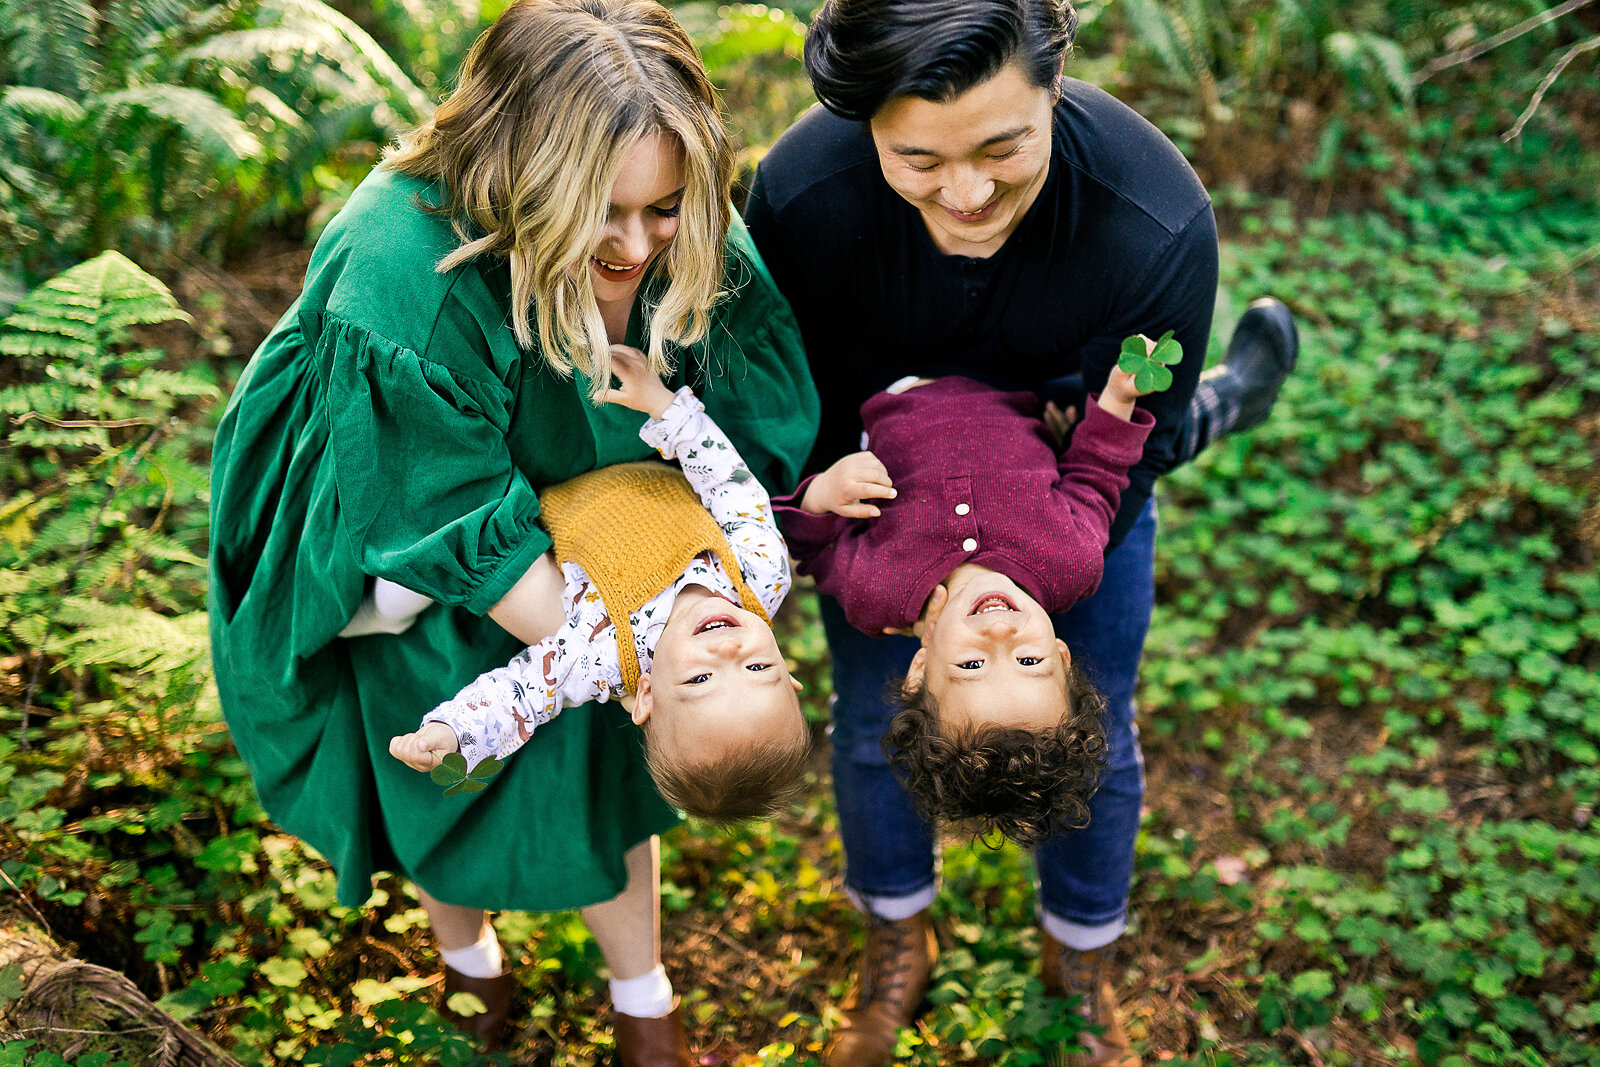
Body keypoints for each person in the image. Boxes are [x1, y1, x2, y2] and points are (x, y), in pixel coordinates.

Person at [207, 1, 818, 1061]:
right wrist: (606, 637)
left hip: (613, 510)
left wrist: (629, 644)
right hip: (414, 522)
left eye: (665, 208)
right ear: (514, 174)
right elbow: (431, 497)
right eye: (602, 217)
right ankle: (472, 963)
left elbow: (747, 401)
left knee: (605, 776)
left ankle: (643, 998)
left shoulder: (673, 217)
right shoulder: (404, 265)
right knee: (442, 753)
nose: (634, 247)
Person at [742, 1, 1298, 1065]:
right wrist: (825, 483)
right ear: (865, 127)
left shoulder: (1153, 217)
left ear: (1055, 85)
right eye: (919, 160)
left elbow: (1119, 449)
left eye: (1004, 148)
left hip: (1068, 456)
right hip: (887, 458)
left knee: (1099, 706)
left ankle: (1078, 953)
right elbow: (781, 396)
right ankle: (896, 931)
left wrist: (1051, 560)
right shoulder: (800, 199)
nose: (966, 194)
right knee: (873, 717)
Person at [388, 348, 810, 821]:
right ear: (788, 675)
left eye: (699, 679)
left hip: (547, 489)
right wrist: (669, 410)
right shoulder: (761, 577)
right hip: (639, 461)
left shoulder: (604, 654)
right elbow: (732, 489)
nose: (728, 653)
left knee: (427, 555)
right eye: (757, 668)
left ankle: (380, 603)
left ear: (647, 694)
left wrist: (456, 732)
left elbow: (524, 694)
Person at [773, 364, 1156, 846]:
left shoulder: (879, 592)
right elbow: (1098, 476)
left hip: (887, 367)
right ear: (1061, 656)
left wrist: (820, 495)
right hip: (1003, 364)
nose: (1000, 636)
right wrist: (1118, 402)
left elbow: (815, 549)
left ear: (920, 670)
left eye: (972, 664)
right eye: (1030, 661)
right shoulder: (1070, 559)